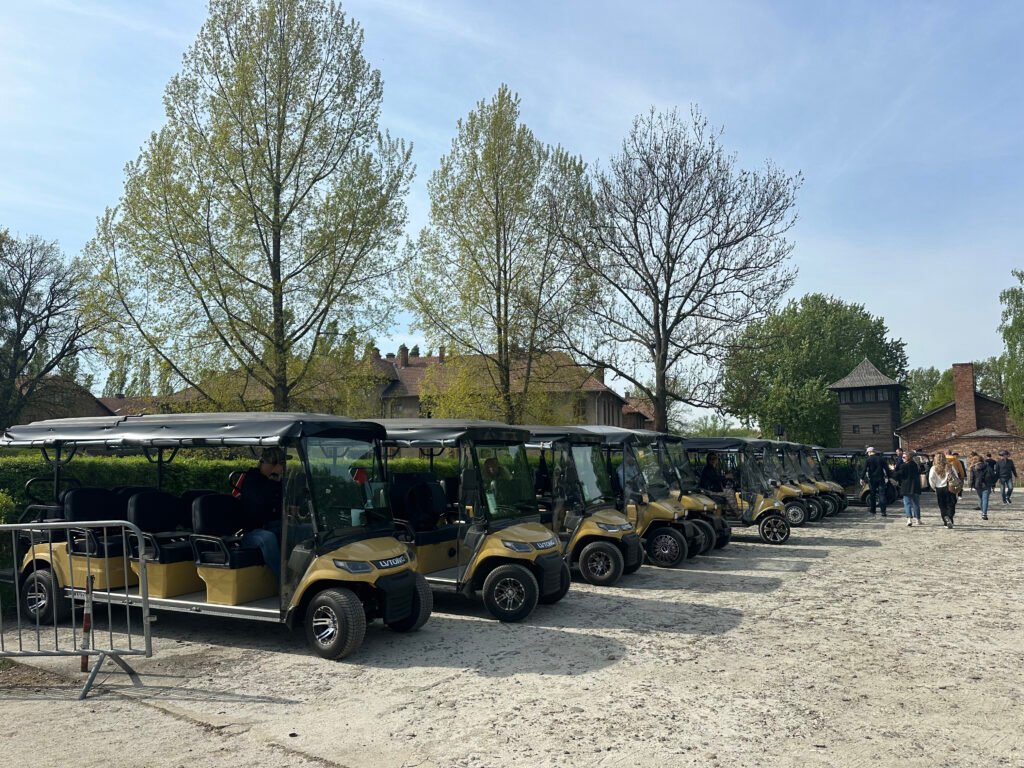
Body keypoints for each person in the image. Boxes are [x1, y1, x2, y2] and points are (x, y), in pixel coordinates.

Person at [232, 447, 285, 579]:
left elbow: (282, 502)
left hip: (275, 525)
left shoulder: (276, 481)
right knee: (267, 538)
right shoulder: (252, 480)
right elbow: (260, 504)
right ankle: (284, 581)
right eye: (279, 464)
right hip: (252, 531)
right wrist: (274, 480)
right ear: (270, 464)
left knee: (304, 530)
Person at [929, 453, 959, 528]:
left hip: (939, 488)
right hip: (950, 487)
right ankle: (950, 517)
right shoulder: (950, 466)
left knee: (942, 505)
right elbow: (956, 476)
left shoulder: (933, 468)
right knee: (951, 504)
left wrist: (934, 488)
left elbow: (931, 479)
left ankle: (946, 520)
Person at [893, 454, 922, 526]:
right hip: (915, 485)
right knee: (916, 504)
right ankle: (918, 519)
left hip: (906, 486)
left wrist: (894, 470)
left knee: (907, 503)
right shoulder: (915, 465)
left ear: (907, 458)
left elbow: (897, 475)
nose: (902, 458)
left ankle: (909, 519)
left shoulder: (903, 466)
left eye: (903, 457)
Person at [862, 446, 889, 517]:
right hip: (881, 479)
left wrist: (861, 478)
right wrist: (889, 477)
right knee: (882, 495)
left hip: (872, 480)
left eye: (867, 453)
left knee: (872, 495)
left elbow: (864, 469)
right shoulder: (881, 459)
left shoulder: (868, 460)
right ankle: (883, 511)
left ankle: (873, 510)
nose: (867, 454)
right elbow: (887, 469)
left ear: (870, 452)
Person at [969, 454, 994, 521]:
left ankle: (983, 512)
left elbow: (972, 478)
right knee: (985, 499)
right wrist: (993, 484)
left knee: (981, 498)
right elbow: (992, 475)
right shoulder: (987, 466)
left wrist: (971, 486)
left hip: (978, 485)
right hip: (987, 484)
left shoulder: (973, 467)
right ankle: (984, 513)